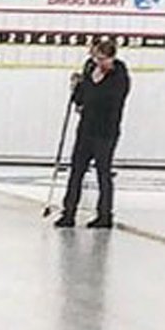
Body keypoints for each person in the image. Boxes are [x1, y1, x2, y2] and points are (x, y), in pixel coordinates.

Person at [54, 36, 130, 229]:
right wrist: (77, 88)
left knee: (103, 173)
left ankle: (105, 215)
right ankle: (68, 212)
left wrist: (91, 90)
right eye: (96, 58)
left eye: (102, 59)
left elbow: (108, 100)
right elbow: (81, 99)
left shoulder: (119, 76)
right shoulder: (90, 69)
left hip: (106, 131)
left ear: (111, 57)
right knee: (76, 170)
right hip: (86, 129)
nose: (99, 63)